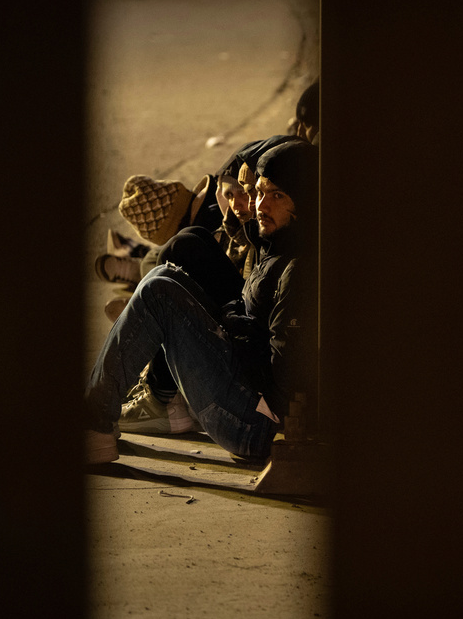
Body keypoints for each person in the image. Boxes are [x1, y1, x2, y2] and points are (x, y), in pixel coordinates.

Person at [83, 139, 319, 464]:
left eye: (277, 196)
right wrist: (226, 321)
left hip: (256, 426)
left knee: (158, 293)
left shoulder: (300, 270)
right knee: (165, 272)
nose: (260, 205)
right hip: (247, 396)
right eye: (260, 192)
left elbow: (286, 385)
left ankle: (94, 424)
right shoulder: (277, 243)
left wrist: (222, 329)